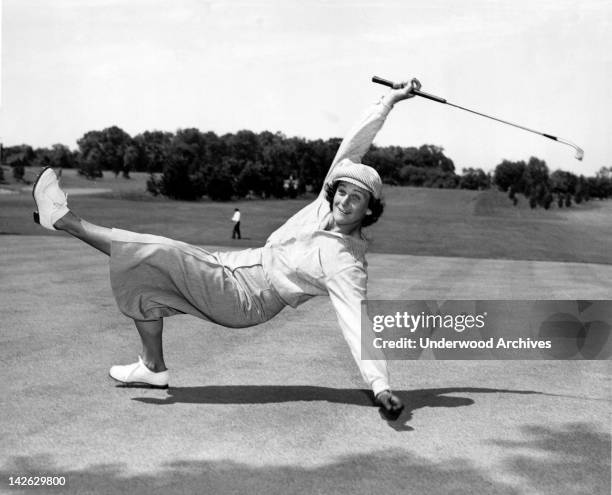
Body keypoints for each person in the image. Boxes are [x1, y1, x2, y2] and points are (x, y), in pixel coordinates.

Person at [31, 79, 422, 419]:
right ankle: (153, 367)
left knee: (157, 250)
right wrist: (389, 101)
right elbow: (353, 147)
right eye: (344, 191)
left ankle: (62, 218)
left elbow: (357, 322)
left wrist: (379, 385)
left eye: (358, 198)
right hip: (236, 265)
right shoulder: (323, 203)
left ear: (370, 209)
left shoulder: (347, 263)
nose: (345, 201)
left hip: (247, 298)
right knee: (150, 282)